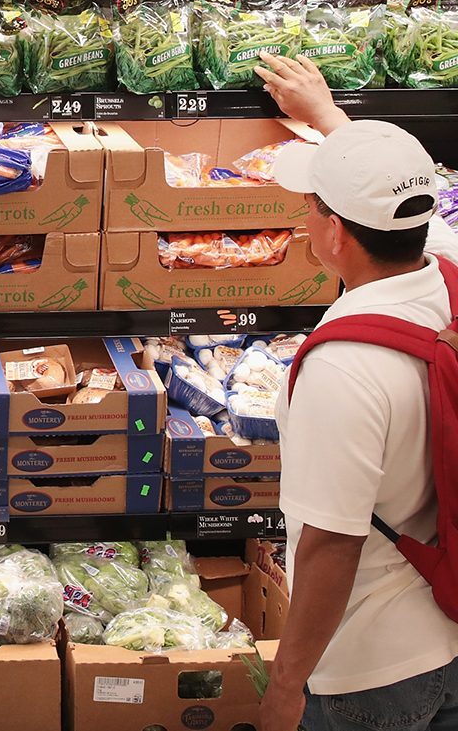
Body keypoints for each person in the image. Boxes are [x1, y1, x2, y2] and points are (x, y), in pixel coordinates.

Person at [253, 50, 458, 731]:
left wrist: (288, 683)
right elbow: (398, 201)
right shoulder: (448, 272)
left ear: (334, 234)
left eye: (312, 208)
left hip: (375, 667)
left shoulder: (343, 366)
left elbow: (331, 545)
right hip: (448, 617)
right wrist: (328, 120)